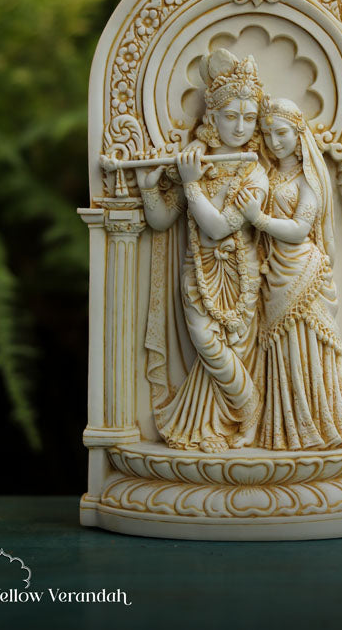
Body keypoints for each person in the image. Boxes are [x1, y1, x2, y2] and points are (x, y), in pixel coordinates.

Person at [137, 49, 268, 453]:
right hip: (197, 270)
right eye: (231, 116)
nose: (240, 127)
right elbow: (162, 220)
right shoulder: (196, 161)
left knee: (231, 350)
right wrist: (149, 188)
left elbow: (218, 226)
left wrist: (191, 182)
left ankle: (247, 412)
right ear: (212, 117)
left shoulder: (254, 171)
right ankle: (240, 410)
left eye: (249, 118)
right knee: (206, 343)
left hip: (239, 274)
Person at [235, 97, 342, 450]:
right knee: (281, 349)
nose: (275, 141)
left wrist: (258, 219)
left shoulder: (309, 179)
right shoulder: (271, 173)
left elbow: (299, 229)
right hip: (274, 271)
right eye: (268, 134)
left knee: (304, 347)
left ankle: (316, 425)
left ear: (298, 133)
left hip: (302, 271)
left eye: (282, 133)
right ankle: (284, 429)